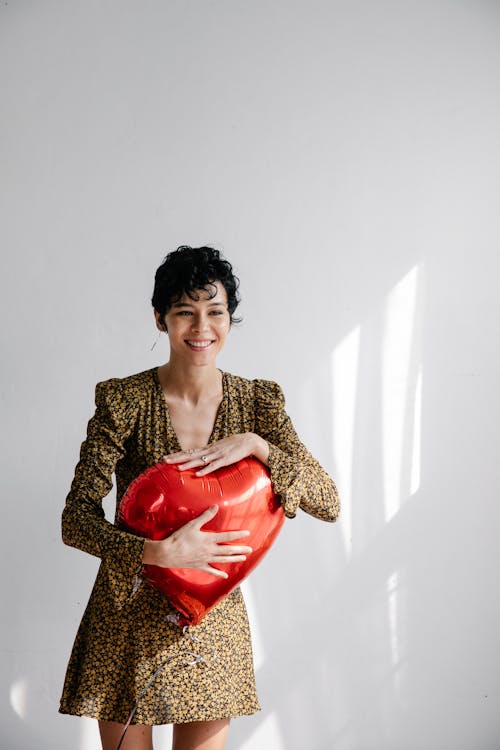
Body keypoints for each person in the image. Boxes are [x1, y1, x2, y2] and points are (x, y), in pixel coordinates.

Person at [59, 245, 340, 750]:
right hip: (126, 621)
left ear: (230, 319)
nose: (201, 327)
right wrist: (157, 553)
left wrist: (259, 446)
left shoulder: (258, 403)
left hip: (213, 623)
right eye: (184, 312)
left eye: (215, 312)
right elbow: (75, 520)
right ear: (160, 319)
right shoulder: (123, 401)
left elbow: (328, 501)